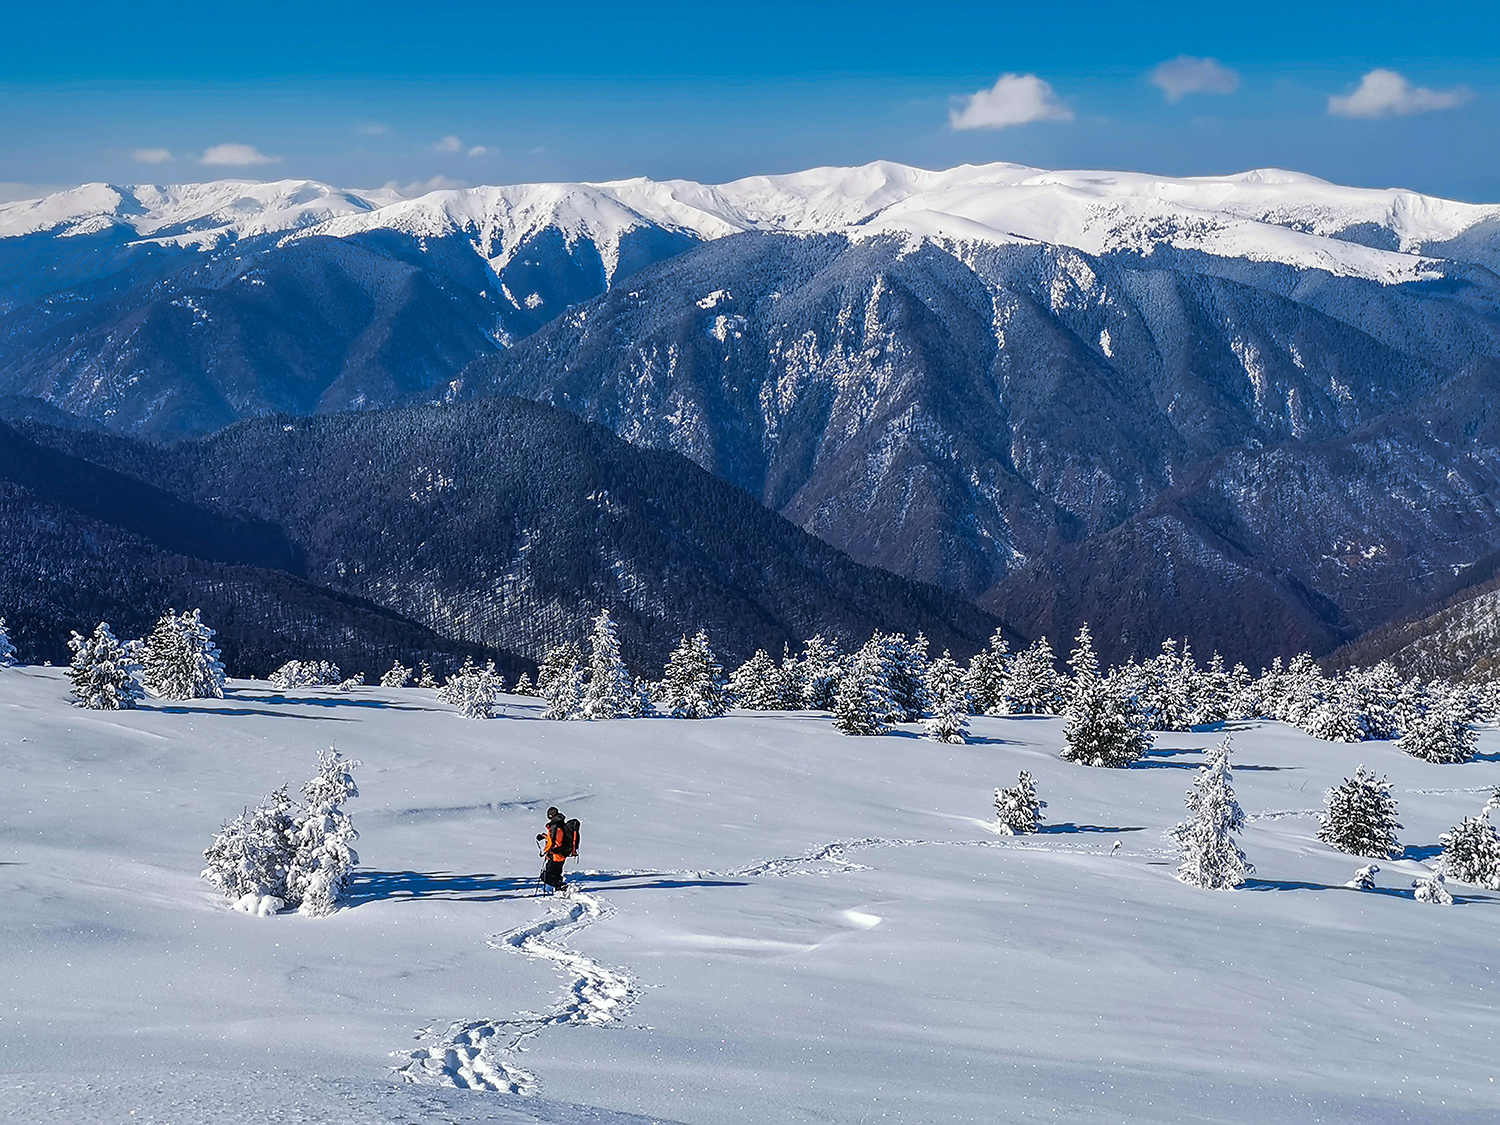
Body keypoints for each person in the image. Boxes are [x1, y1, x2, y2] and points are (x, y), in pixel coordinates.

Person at [537, 807, 569, 893]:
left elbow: (552, 842)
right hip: (562, 853)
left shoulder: (554, 826)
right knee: (556, 874)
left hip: (555, 855)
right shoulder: (561, 823)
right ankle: (560, 888)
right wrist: (544, 836)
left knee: (547, 876)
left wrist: (545, 851)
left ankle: (560, 886)